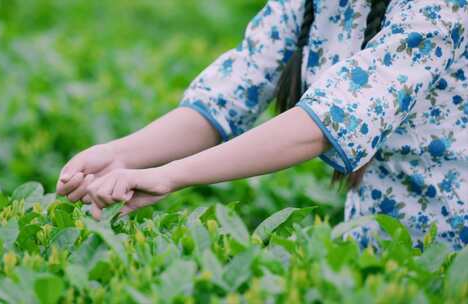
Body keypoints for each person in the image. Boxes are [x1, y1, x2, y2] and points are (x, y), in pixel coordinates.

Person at [56, 0, 468, 251]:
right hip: (371, 243)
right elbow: (231, 93)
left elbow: (321, 124)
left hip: (451, 251)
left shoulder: (438, 9)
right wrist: (120, 154)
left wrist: (168, 176)